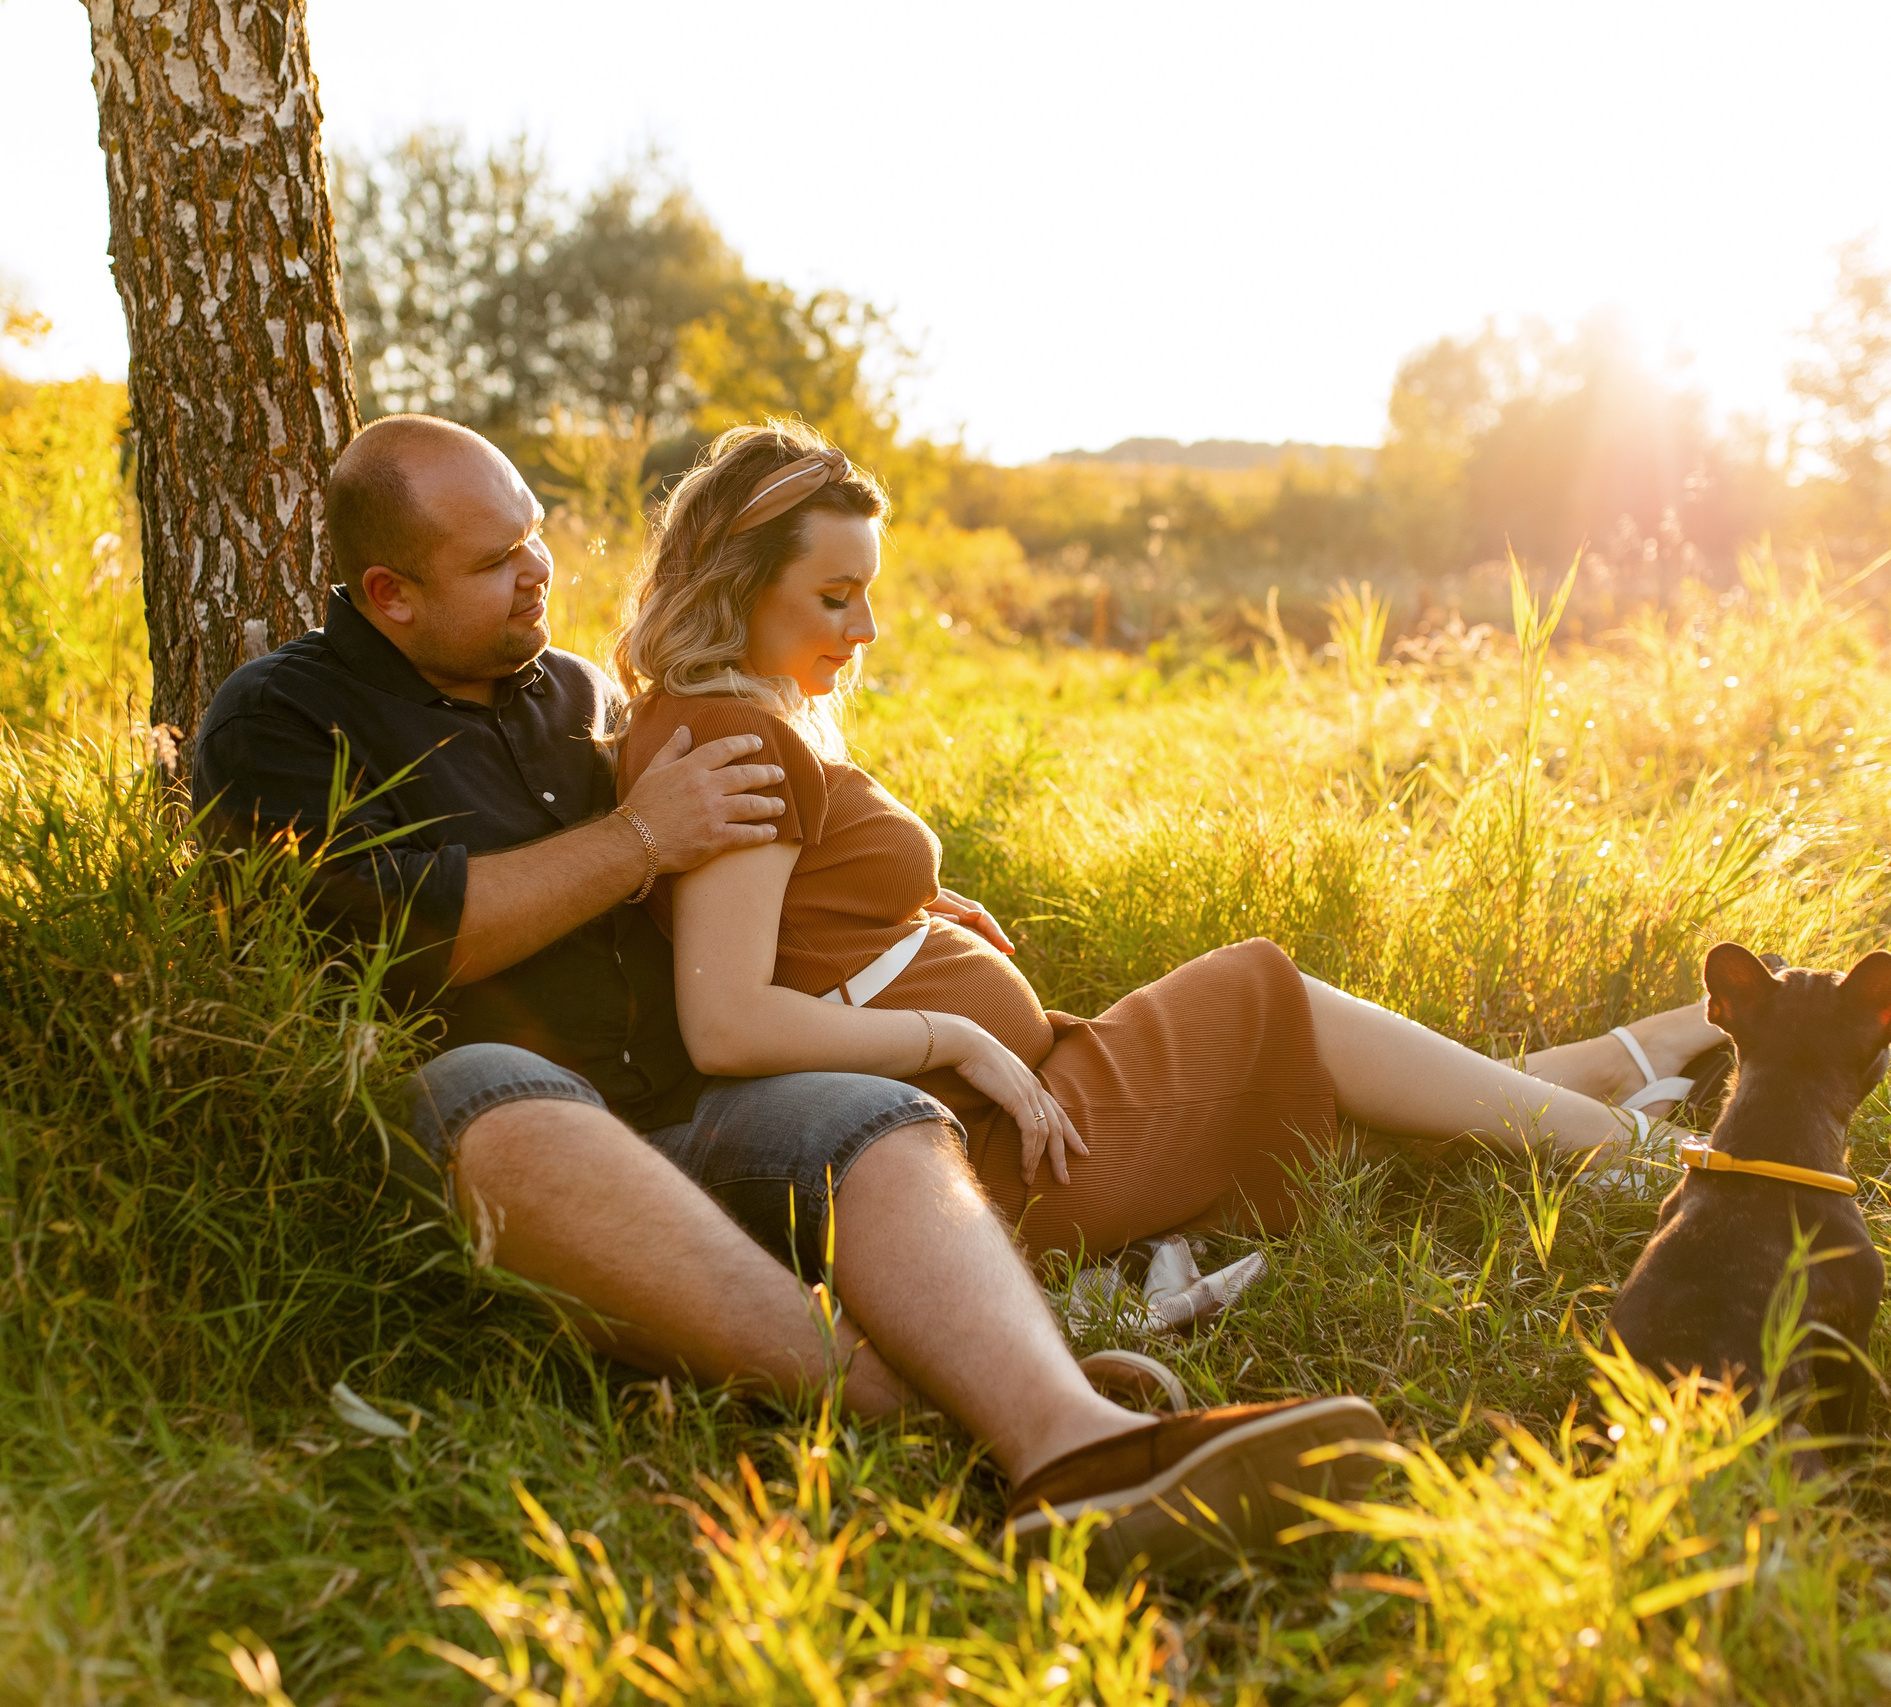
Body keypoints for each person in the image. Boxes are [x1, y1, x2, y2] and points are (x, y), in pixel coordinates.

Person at [188, 413, 1390, 1575]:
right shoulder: (282, 718)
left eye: (535, 533)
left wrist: (907, 915)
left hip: (700, 1100)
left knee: (874, 1117)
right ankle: (895, 1396)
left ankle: (1080, 1452)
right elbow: (396, 940)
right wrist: (638, 839)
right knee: (494, 1089)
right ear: (390, 593)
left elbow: (738, 896)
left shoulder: (567, 694)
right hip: (515, 1125)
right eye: (494, 561)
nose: (536, 572)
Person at [609, 421, 1732, 1257]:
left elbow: (784, 922)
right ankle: (1622, 1149)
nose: (867, 629)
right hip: (1004, 1154)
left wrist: (896, 918)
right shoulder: (734, 742)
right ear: (739, 585)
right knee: (1260, 992)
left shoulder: (707, 719)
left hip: (1014, 1114)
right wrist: (954, 1032)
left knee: (1311, 1059)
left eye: (868, 595)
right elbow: (726, 1021)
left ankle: (1594, 1085)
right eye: (837, 597)